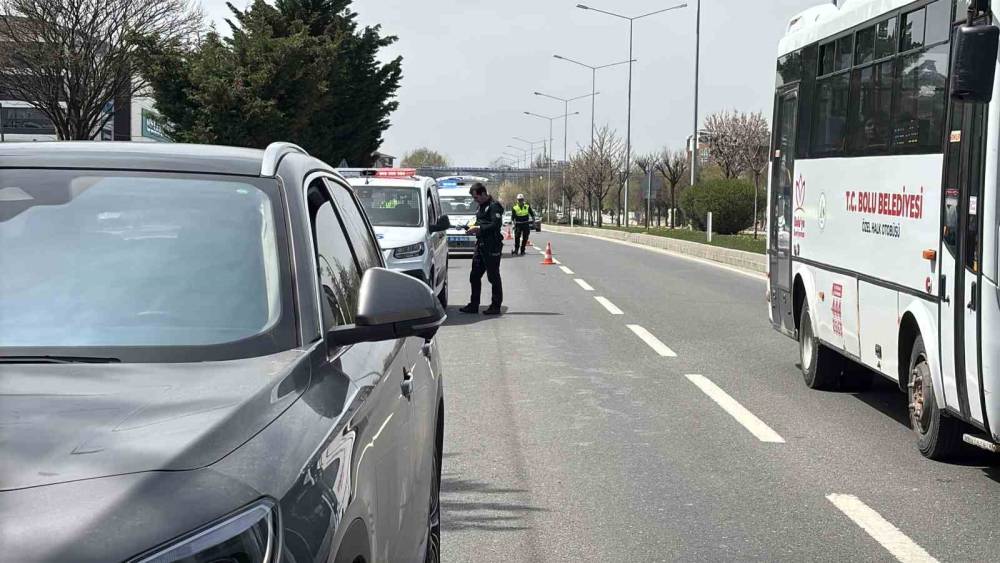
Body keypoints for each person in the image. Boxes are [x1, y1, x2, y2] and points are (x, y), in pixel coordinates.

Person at [459, 183, 504, 315]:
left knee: (493, 276)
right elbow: (480, 221)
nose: (475, 200)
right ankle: (474, 305)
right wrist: (470, 227)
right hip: (481, 245)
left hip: (492, 245)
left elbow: (495, 224)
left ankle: (495, 306)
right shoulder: (481, 206)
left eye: (476, 197)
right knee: (474, 276)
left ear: (483, 194)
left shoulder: (494, 206)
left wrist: (479, 228)